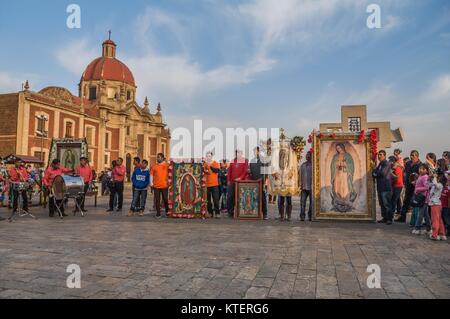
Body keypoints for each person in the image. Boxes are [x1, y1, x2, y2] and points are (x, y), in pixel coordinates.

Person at [397, 150, 421, 222]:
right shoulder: (408, 163)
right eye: (411, 155)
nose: (412, 157)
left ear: (417, 156)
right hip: (408, 185)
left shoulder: (420, 164)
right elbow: (404, 173)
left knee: (414, 202)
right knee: (406, 201)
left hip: (416, 186)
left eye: (414, 155)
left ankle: (415, 220)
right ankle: (402, 217)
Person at [372, 150, 393, 225]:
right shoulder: (380, 164)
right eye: (378, 155)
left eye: (381, 154)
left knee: (387, 204)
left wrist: (375, 173)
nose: (379, 156)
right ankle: (384, 218)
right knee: (382, 204)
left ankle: (389, 219)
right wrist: (375, 172)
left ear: (384, 155)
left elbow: (382, 173)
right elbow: (374, 172)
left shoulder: (386, 163)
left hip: (386, 187)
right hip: (380, 187)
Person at [227, 150, 249, 217]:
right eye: (237, 153)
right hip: (232, 182)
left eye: (239, 153)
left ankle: (240, 212)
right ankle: (230, 212)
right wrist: (228, 180)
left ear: (241, 153)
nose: (238, 154)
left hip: (241, 183)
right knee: (230, 197)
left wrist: (240, 178)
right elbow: (229, 171)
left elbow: (245, 171)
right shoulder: (232, 161)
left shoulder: (245, 161)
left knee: (240, 197)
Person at [249, 147, 268, 220]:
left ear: (259, 152)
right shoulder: (252, 161)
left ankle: (265, 213)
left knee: (263, 198)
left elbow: (266, 172)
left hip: (261, 183)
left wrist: (263, 180)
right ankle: (254, 213)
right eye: (254, 152)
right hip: (253, 183)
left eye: (256, 151)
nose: (255, 153)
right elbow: (250, 171)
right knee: (254, 198)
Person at [412, 164, 431, 235]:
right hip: (421, 198)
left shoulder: (425, 177)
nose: (421, 170)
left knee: (420, 214)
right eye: (420, 168)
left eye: (423, 169)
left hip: (423, 198)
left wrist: (417, 189)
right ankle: (429, 229)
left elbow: (427, 187)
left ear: (426, 170)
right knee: (426, 215)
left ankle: (417, 228)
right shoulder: (421, 176)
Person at [428, 172, 446, 241]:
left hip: (435, 204)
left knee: (435, 220)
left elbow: (436, 184)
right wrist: (430, 178)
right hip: (435, 204)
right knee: (439, 220)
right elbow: (428, 184)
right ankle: (442, 234)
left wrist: (435, 177)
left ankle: (434, 235)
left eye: (437, 177)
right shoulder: (435, 184)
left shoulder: (440, 185)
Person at [151, 153, 169, 218]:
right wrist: (151, 184)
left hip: (165, 185)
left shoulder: (167, 165)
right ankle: (158, 213)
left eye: (159, 157)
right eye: (157, 157)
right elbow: (151, 175)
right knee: (157, 200)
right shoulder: (154, 166)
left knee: (165, 199)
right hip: (156, 186)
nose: (157, 158)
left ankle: (167, 211)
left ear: (162, 158)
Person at [204, 152, 221, 219]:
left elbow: (217, 170)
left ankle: (217, 213)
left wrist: (210, 167)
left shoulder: (215, 163)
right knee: (208, 200)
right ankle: (210, 212)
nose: (208, 157)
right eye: (207, 156)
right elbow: (204, 171)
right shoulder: (204, 164)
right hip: (207, 185)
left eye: (209, 156)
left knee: (215, 199)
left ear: (211, 157)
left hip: (214, 184)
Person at [299, 151, 313, 221]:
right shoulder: (303, 165)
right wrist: (300, 184)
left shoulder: (314, 166)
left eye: (309, 155)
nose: (307, 156)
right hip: (304, 187)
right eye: (307, 155)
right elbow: (300, 176)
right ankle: (302, 216)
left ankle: (310, 215)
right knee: (302, 202)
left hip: (311, 187)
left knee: (311, 203)